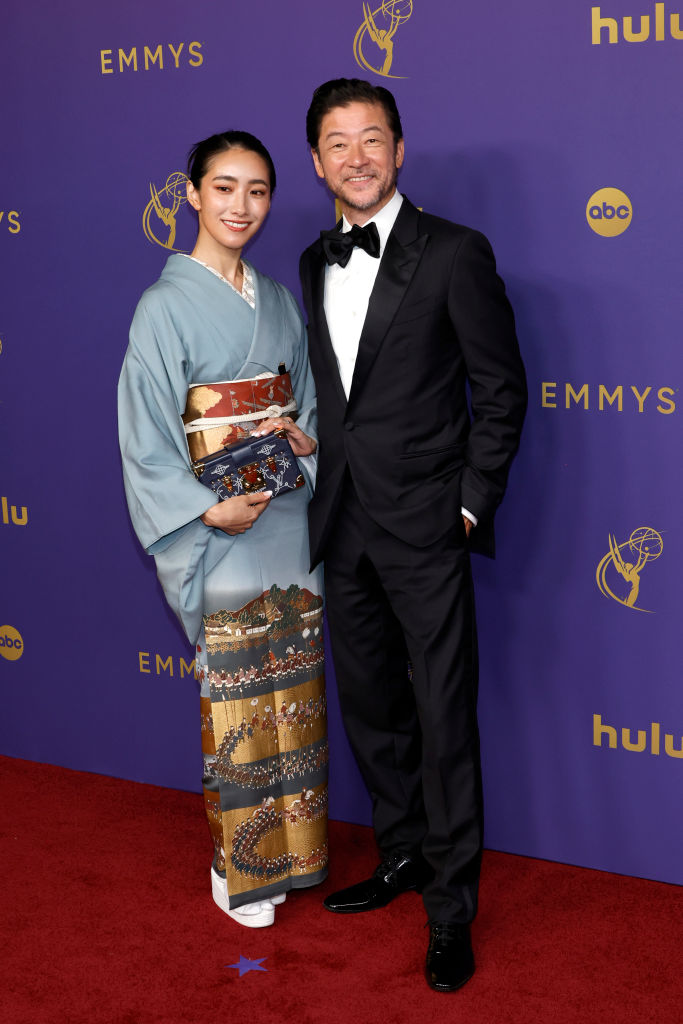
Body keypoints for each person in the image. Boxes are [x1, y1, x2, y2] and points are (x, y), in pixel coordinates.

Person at [299, 80, 527, 990]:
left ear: (399, 149)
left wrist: (468, 504)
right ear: (317, 162)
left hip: (427, 526)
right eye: (335, 143)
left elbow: (500, 390)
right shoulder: (315, 259)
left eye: (371, 138)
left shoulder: (455, 253)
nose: (355, 156)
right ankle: (399, 854)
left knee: (441, 719)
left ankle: (450, 909)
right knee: (371, 709)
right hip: (341, 522)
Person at [118, 131, 328, 929]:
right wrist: (206, 508)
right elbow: (144, 436)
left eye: (259, 190)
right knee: (238, 695)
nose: (242, 206)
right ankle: (237, 864)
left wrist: (301, 448)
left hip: (283, 518)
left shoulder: (276, 298)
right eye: (226, 188)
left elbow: (304, 402)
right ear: (192, 194)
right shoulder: (163, 307)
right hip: (221, 526)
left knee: (294, 687)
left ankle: (297, 847)